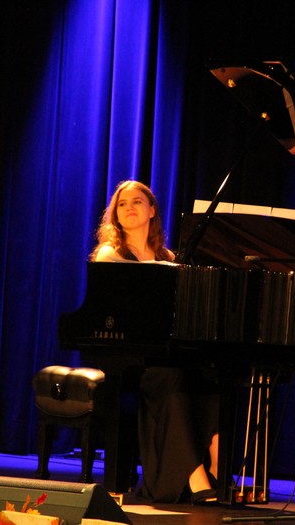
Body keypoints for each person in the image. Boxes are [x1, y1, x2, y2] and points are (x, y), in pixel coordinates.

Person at [92, 180, 220, 504]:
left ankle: (215, 466)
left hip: (163, 352)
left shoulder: (169, 256)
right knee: (171, 378)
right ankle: (195, 476)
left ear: (151, 211)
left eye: (137, 202)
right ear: (115, 215)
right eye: (122, 204)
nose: (129, 208)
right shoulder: (110, 254)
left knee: (210, 377)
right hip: (127, 353)